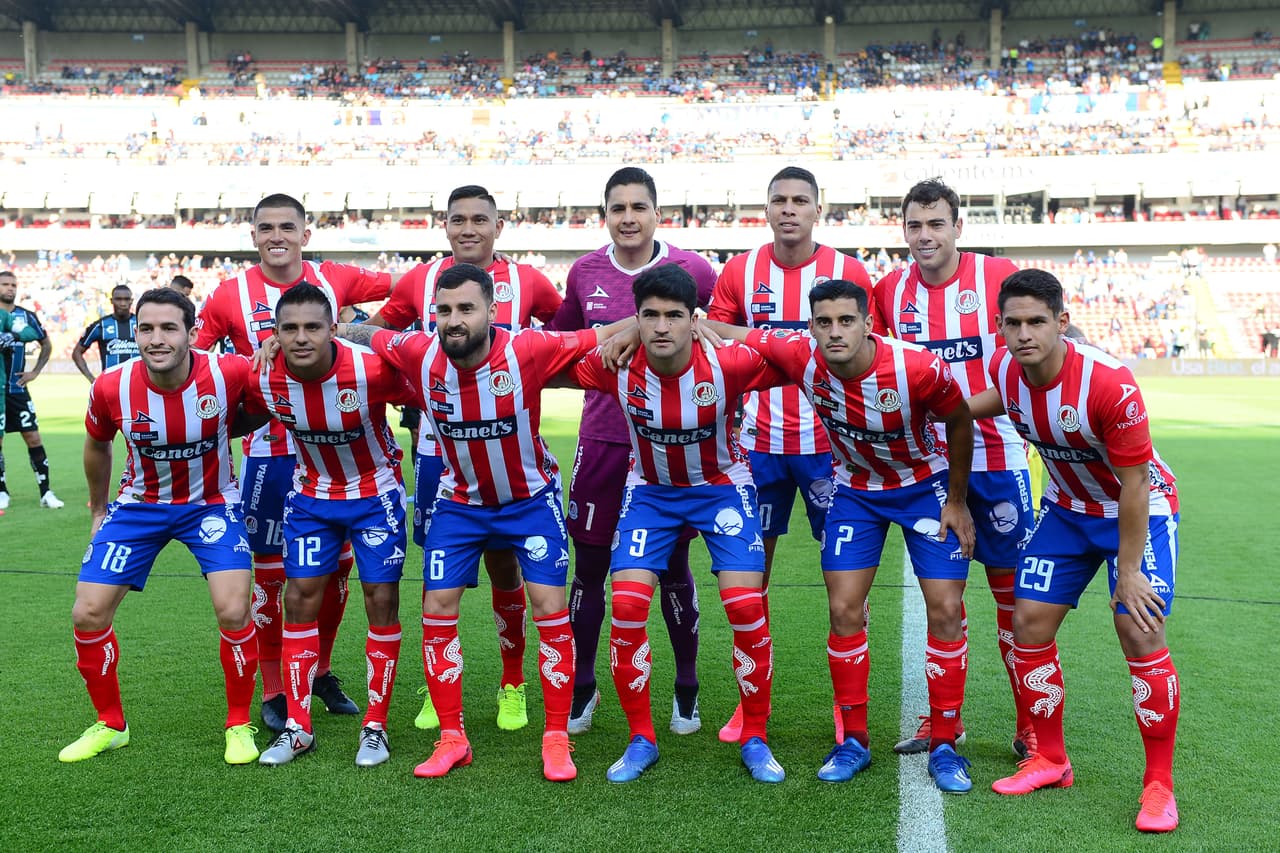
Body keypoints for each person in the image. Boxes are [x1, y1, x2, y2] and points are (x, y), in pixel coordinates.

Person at [340, 263, 633, 782]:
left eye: (466, 309)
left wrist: (638, 325)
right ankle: (452, 738)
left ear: (491, 311)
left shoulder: (527, 349)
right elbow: (372, 333)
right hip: (460, 504)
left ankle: (556, 738)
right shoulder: (420, 353)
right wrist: (332, 327)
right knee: (437, 606)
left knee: (548, 606)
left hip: (529, 502)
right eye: (444, 310)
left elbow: (602, 332)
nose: (454, 320)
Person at [706, 278, 977, 793]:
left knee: (944, 607)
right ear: (810, 327)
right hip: (854, 491)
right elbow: (734, 332)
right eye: (823, 322)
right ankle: (853, 740)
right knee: (843, 608)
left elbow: (960, 422)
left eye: (846, 321)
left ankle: (944, 745)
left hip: (923, 487)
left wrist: (957, 501)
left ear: (868, 324)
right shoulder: (800, 356)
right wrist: (689, 324)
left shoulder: (916, 367)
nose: (835, 332)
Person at [971, 269, 1181, 833]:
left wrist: (1129, 571)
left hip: (1135, 511)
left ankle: (1158, 785)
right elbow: (993, 400)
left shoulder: (1108, 383)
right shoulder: (1004, 369)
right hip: (1066, 512)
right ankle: (1051, 759)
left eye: (1037, 321)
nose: (1024, 334)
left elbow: (1135, 484)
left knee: (1138, 630)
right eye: (1012, 323)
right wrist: (940, 410)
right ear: (1000, 327)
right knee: (1028, 624)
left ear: (1062, 322)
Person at [573, 265, 787, 784]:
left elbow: (797, 356)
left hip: (720, 490)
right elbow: (541, 361)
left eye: (674, 315)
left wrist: (735, 331)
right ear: (636, 320)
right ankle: (641, 738)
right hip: (649, 493)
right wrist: (617, 333)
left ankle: (755, 737)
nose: (662, 326)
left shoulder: (729, 364)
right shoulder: (612, 364)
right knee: (625, 605)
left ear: (694, 319)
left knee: (745, 607)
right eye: (650, 316)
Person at [194, 193, 394, 733]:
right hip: (271, 455)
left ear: (306, 233)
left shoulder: (336, 278)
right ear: (252, 234)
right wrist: (251, 355)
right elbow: (200, 358)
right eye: (266, 227)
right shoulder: (228, 294)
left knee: (338, 571)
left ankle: (321, 671)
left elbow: (404, 291)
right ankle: (275, 687)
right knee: (274, 577)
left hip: (344, 455)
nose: (276, 236)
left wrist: (357, 331)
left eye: (287, 226)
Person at [366, 184, 563, 733]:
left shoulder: (530, 282)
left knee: (506, 568)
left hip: (511, 452)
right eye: (459, 220)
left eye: (480, 219)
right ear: (445, 227)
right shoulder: (419, 280)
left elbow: (562, 329)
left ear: (499, 227)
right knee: (438, 578)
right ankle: (439, 692)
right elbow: (380, 331)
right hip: (440, 453)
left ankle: (512, 683)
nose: (469, 229)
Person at [59, 287, 263, 765]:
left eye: (169, 328)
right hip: (138, 507)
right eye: (146, 328)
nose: (156, 338)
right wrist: (97, 509)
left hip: (212, 504)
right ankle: (110, 724)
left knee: (233, 609)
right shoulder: (111, 385)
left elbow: (270, 397)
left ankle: (238, 724)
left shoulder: (228, 371)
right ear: (136, 333)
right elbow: (97, 443)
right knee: (87, 613)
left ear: (192, 334)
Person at [870, 178, 1036, 759]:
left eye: (935, 224)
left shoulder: (996, 277)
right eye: (914, 225)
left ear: (957, 227)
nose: (924, 236)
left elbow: (1034, 346)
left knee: (1015, 602)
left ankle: (1029, 723)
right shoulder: (889, 291)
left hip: (997, 458)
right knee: (944, 600)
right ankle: (945, 721)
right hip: (928, 469)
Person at [547, 166, 715, 736]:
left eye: (638, 207)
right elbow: (563, 349)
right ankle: (583, 685)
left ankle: (686, 687)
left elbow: (716, 339)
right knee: (590, 566)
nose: (627, 218)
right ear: (606, 215)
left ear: (657, 214)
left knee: (670, 566)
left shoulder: (694, 270)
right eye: (617, 208)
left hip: (671, 445)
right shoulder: (585, 272)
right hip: (602, 441)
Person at [706, 165, 872, 741]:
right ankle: (751, 707)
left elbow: (863, 349)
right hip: (758, 449)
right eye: (780, 200)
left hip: (832, 447)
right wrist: (766, 343)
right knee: (751, 582)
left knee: (843, 584)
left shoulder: (847, 271)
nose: (790, 209)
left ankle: (845, 707)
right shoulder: (740, 270)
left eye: (801, 200)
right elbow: (713, 336)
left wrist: (765, 343)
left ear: (817, 209)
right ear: (767, 207)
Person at [247, 285, 414, 767]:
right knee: (298, 597)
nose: (301, 337)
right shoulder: (261, 376)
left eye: (313, 327)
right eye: (289, 328)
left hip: (375, 495)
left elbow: (427, 379)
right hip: (311, 497)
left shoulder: (371, 370)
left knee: (380, 598)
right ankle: (298, 727)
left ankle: (376, 727)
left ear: (332, 328)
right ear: (274, 335)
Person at [0, 269, 63, 510]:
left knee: (33, 437)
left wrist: (35, 372)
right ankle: (2, 490)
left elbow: (45, 343)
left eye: (13, 284)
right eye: (5, 284)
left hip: (17, 390)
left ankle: (46, 492)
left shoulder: (26, 316)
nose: (10, 288)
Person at [73, 284, 139, 382]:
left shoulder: (141, 323)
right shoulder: (100, 325)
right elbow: (77, 352)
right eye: (118, 299)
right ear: (111, 301)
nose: (123, 303)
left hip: (137, 384)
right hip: (109, 385)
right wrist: (92, 380)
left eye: (126, 299)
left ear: (131, 301)